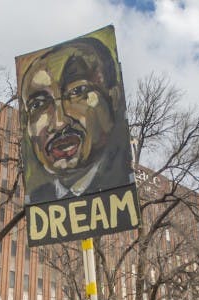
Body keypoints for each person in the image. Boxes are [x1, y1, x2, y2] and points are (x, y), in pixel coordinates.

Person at [18, 36, 132, 204]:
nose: (59, 122)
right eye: (38, 104)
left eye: (77, 91)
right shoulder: (37, 199)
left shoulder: (122, 181)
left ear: (113, 98)